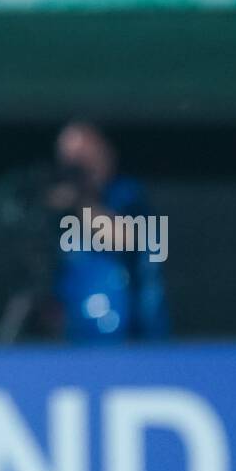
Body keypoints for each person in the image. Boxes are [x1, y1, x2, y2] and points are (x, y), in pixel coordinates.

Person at [47, 121, 170, 341]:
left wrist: (81, 203)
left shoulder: (127, 196)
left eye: (84, 156)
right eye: (69, 158)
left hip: (132, 337)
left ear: (106, 155)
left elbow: (124, 238)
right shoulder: (59, 213)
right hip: (76, 341)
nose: (77, 166)